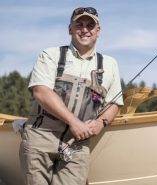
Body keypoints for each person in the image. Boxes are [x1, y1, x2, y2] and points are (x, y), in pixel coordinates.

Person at [19, 7, 124, 185]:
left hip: (78, 145)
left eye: (90, 25)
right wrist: (74, 122)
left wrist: (101, 122)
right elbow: (41, 91)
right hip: (40, 138)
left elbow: (114, 103)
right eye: (79, 25)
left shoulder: (110, 64)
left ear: (98, 31)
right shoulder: (50, 55)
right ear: (70, 29)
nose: (85, 30)